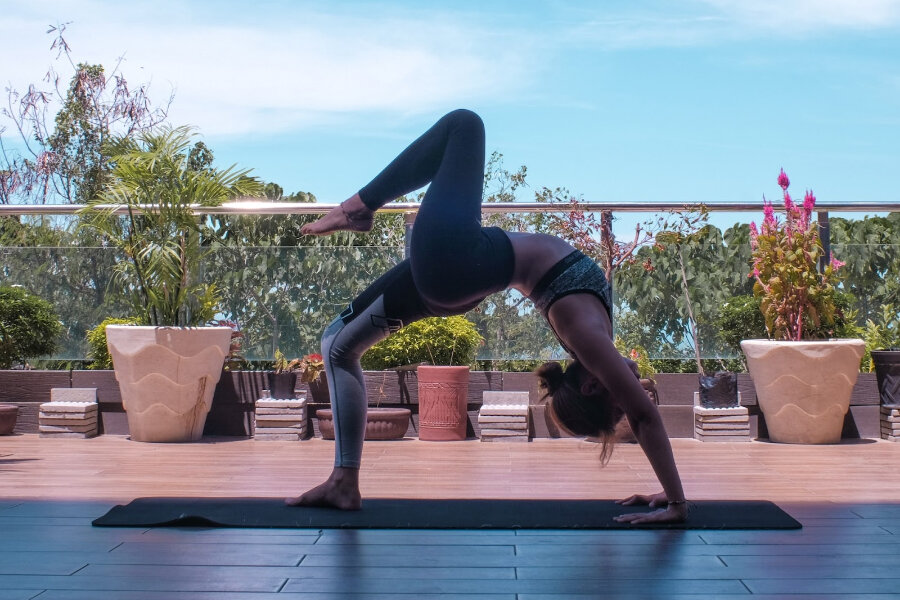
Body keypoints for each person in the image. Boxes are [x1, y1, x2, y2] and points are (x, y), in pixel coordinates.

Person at [287, 109, 686, 525]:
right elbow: (633, 407)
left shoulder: (588, 338)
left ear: (590, 383)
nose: (633, 392)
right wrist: (667, 491)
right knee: (337, 345)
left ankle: (356, 208)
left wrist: (676, 503)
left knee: (464, 125)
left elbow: (645, 417)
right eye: (624, 405)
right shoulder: (591, 338)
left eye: (617, 400)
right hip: (457, 281)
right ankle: (343, 482)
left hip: (459, 262)